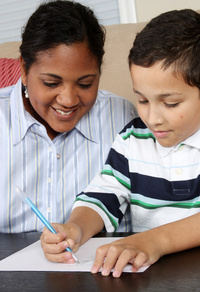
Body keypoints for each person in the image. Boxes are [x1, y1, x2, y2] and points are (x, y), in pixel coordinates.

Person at [41, 9, 200, 277]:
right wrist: (76, 228)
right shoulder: (132, 139)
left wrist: (155, 240)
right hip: (153, 280)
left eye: (170, 103)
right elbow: (103, 197)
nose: (152, 118)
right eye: (142, 100)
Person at [0, 0, 137, 233]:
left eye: (85, 84)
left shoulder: (122, 117)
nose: (68, 100)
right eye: (51, 83)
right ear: (24, 70)